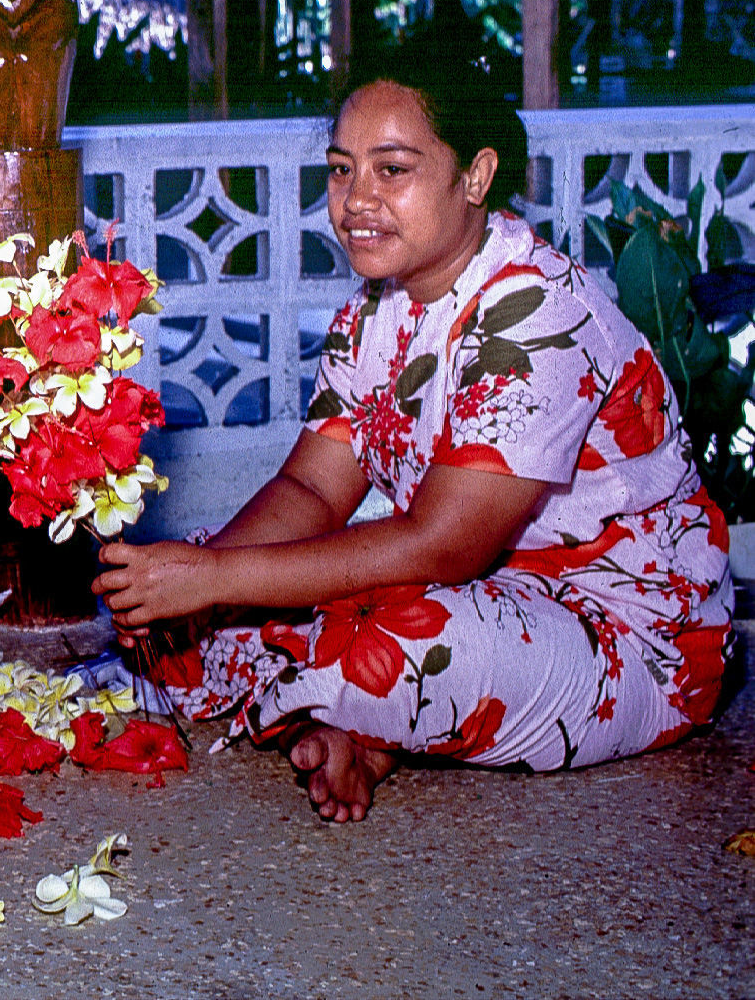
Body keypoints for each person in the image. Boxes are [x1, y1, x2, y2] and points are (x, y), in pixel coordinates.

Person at [95, 53, 733, 822]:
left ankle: (357, 716)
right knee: (195, 597)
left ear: (475, 175)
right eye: (339, 171)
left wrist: (216, 582)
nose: (355, 201)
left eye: (391, 170)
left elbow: (442, 546)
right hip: (483, 590)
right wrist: (197, 582)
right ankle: (365, 731)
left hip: (632, 635)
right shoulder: (375, 310)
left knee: (392, 644)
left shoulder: (535, 312)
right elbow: (311, 490)